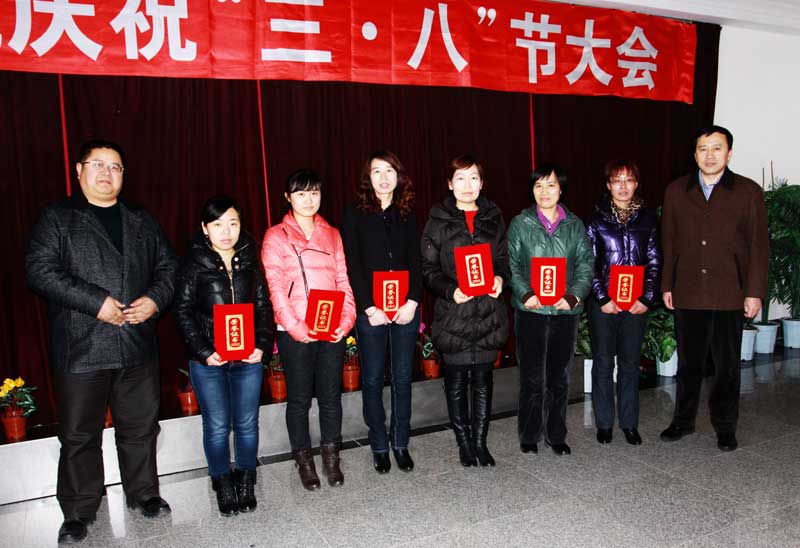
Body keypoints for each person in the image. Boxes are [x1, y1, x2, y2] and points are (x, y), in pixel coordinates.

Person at [25, 139, 177, 544]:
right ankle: (79, 510)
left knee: (140, 428)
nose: (107, 173)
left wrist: (155, 300)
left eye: (116, 167)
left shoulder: (140, 218)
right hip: (83, 346)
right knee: (79, 435)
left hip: (136, 342)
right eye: (98, 164)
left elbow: (168, 267)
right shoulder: (58, 217)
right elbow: (40, 271)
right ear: (79, 170)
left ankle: (144, 494)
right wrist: (96, 303)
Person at [660, 125, 769, 452]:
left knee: (726, 366)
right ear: (695, 154)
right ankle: (683, 420)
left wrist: (754, 292)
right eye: (703, 149)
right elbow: (669, 242)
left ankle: (725, 426)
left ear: (729, 153)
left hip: (729, 292)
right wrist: (667, 284)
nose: (710, 155)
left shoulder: (748, 192)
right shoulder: (677, 191)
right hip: (689, 290)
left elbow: (758, 246)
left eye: (717, 148)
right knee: (688, 364)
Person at [174, 195, 273, 515]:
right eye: (218, 224)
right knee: (217, 425)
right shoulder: (193, 263)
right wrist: (204, 352)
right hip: (210, 362)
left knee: (247, 423)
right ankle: (222, 481)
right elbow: (183, 312)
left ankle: (246, 479)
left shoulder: (250, 259)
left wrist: (262, 344)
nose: (226, 231)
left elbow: (264, 306)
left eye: (233, 223)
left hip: (248, 359)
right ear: (205, 228)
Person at [261, 169, 356, 490]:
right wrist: (295, 327)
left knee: (330, 397)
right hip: (295, 330)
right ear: (288, 198)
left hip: (331, 328)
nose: (308, 199)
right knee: (299, 399)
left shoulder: (332, 234)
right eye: (300, 193)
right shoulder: (275, 236)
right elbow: (275, 287)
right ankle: (303, 460)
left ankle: (331, 458)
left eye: (314, 192)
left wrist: (346, 321)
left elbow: (343, 280)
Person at [421, 154, 509, 467]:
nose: (467, 185)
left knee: (483, 382)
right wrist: (449, 290)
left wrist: (500, 278)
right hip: (453, 316)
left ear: (482, 183)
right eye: (460, 178)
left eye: (473, 178)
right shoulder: (438, 221)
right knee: (456, 382)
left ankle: (481, 443)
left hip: (488, 314)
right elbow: (428, 269)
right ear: (450, 184)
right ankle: (464, 444)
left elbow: (504, 260)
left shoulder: (494, 218)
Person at [341, 150, 422, 474]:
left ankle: (400, 442)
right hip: (371, 311)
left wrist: (412, 302)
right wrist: (368, 307)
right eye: (377, 171)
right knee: (373, 378)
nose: (384, 177)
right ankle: (378, 444)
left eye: (390, 170)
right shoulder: (354, 213)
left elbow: (416, 259)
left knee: (403, 377)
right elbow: (352, 263)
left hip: (405, 309)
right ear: (368, 177)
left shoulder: (408, 211)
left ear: (398, 175)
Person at [507, 163, 593, 456]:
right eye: (538, 185)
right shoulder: (520, 223)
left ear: (561, 189)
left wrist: (573, 296)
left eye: (551, 185)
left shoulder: (575, 225)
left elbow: (585, 265)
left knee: (559, 378)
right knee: (532, 378)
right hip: (530, 311)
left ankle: (556, 435)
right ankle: (529, 434)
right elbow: (511, 264)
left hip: (564, 313)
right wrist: (525, 292)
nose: (544, 192)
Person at [586, 160, 661, 445]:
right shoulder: (596, 220)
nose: (623, 186)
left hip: (636, 304)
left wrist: (647, 297)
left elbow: (654, 261)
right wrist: (602, 297)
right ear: (608, 185)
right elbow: (589, 263)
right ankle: (604, 423)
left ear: (636, 184)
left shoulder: (648, 219)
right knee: (604, 362)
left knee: (630, 364)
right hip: (604, 305)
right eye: (617, 180)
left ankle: (629, 423)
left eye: (628, 180)